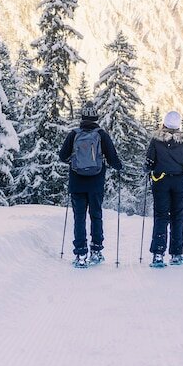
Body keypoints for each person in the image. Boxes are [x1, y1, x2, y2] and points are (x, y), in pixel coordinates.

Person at [59, 104, 123, 268]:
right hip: (96, 183)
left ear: (82, 118)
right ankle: (96, 251)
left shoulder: (74, 134)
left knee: (79, 218)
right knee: (96, 215)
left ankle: (81, 254)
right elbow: (113, 160)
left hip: (77, 183)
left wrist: (73, 161)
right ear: (96, 118)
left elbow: (62, 156)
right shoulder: (101, 135)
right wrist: (119, 167)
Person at [145, 111, 183, 268]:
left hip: (160, 181)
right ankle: (176, 254)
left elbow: (148, 165)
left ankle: (158, 255)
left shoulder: (156, 140)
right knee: (177, 217)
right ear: (178, 125)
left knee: (161, 216)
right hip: (179, 182)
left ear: (164, 123)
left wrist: (149, 168)